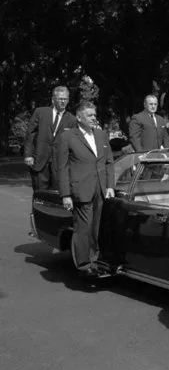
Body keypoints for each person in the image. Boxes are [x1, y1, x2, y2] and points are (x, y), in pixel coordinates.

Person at [57, 101, 115, 279]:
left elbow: (109, 162)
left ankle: (95, 261)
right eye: (90, 115)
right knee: (84, 228)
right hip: (80, 189)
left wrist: (110, 185)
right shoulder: (68, 137)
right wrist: (65, 194)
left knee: (96, 227)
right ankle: (83, 265)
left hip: (100, 188)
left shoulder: (101, 135)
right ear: (79, 117)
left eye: (94, 115)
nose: (93, 118)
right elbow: (62, 167)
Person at [24, 86, 77, 191]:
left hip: (59, 164)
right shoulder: (40, 112)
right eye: (60, 99)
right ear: (53, 99)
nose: (63, 101)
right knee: (39, 196)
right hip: (39, 161)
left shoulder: (72, 119)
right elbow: (30, 134)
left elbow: (73, 143)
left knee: (56, 196)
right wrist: (28, 155)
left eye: (65, 99)